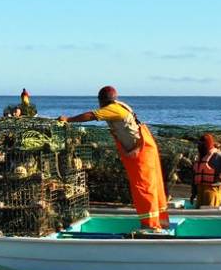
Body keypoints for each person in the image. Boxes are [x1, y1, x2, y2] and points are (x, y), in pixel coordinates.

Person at [58, 86, 169, 231]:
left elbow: (92, 116)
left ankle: (151, 226)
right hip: (145, 148)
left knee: (143, 188)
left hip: (142, 152)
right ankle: (161, 221)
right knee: (153, 185)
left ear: (102, 101)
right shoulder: (119, 106)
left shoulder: (112, 109)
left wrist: (68, 119)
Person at [190, 133, 221, 208]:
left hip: (213, 190)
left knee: (207, 213)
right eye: (198, 144)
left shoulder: (217, 156)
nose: (198, 146)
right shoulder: (200, 158)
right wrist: (193, 193)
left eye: (201, 144)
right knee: (199, 213)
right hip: (200, 191)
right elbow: (195, 176)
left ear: (207, 145)